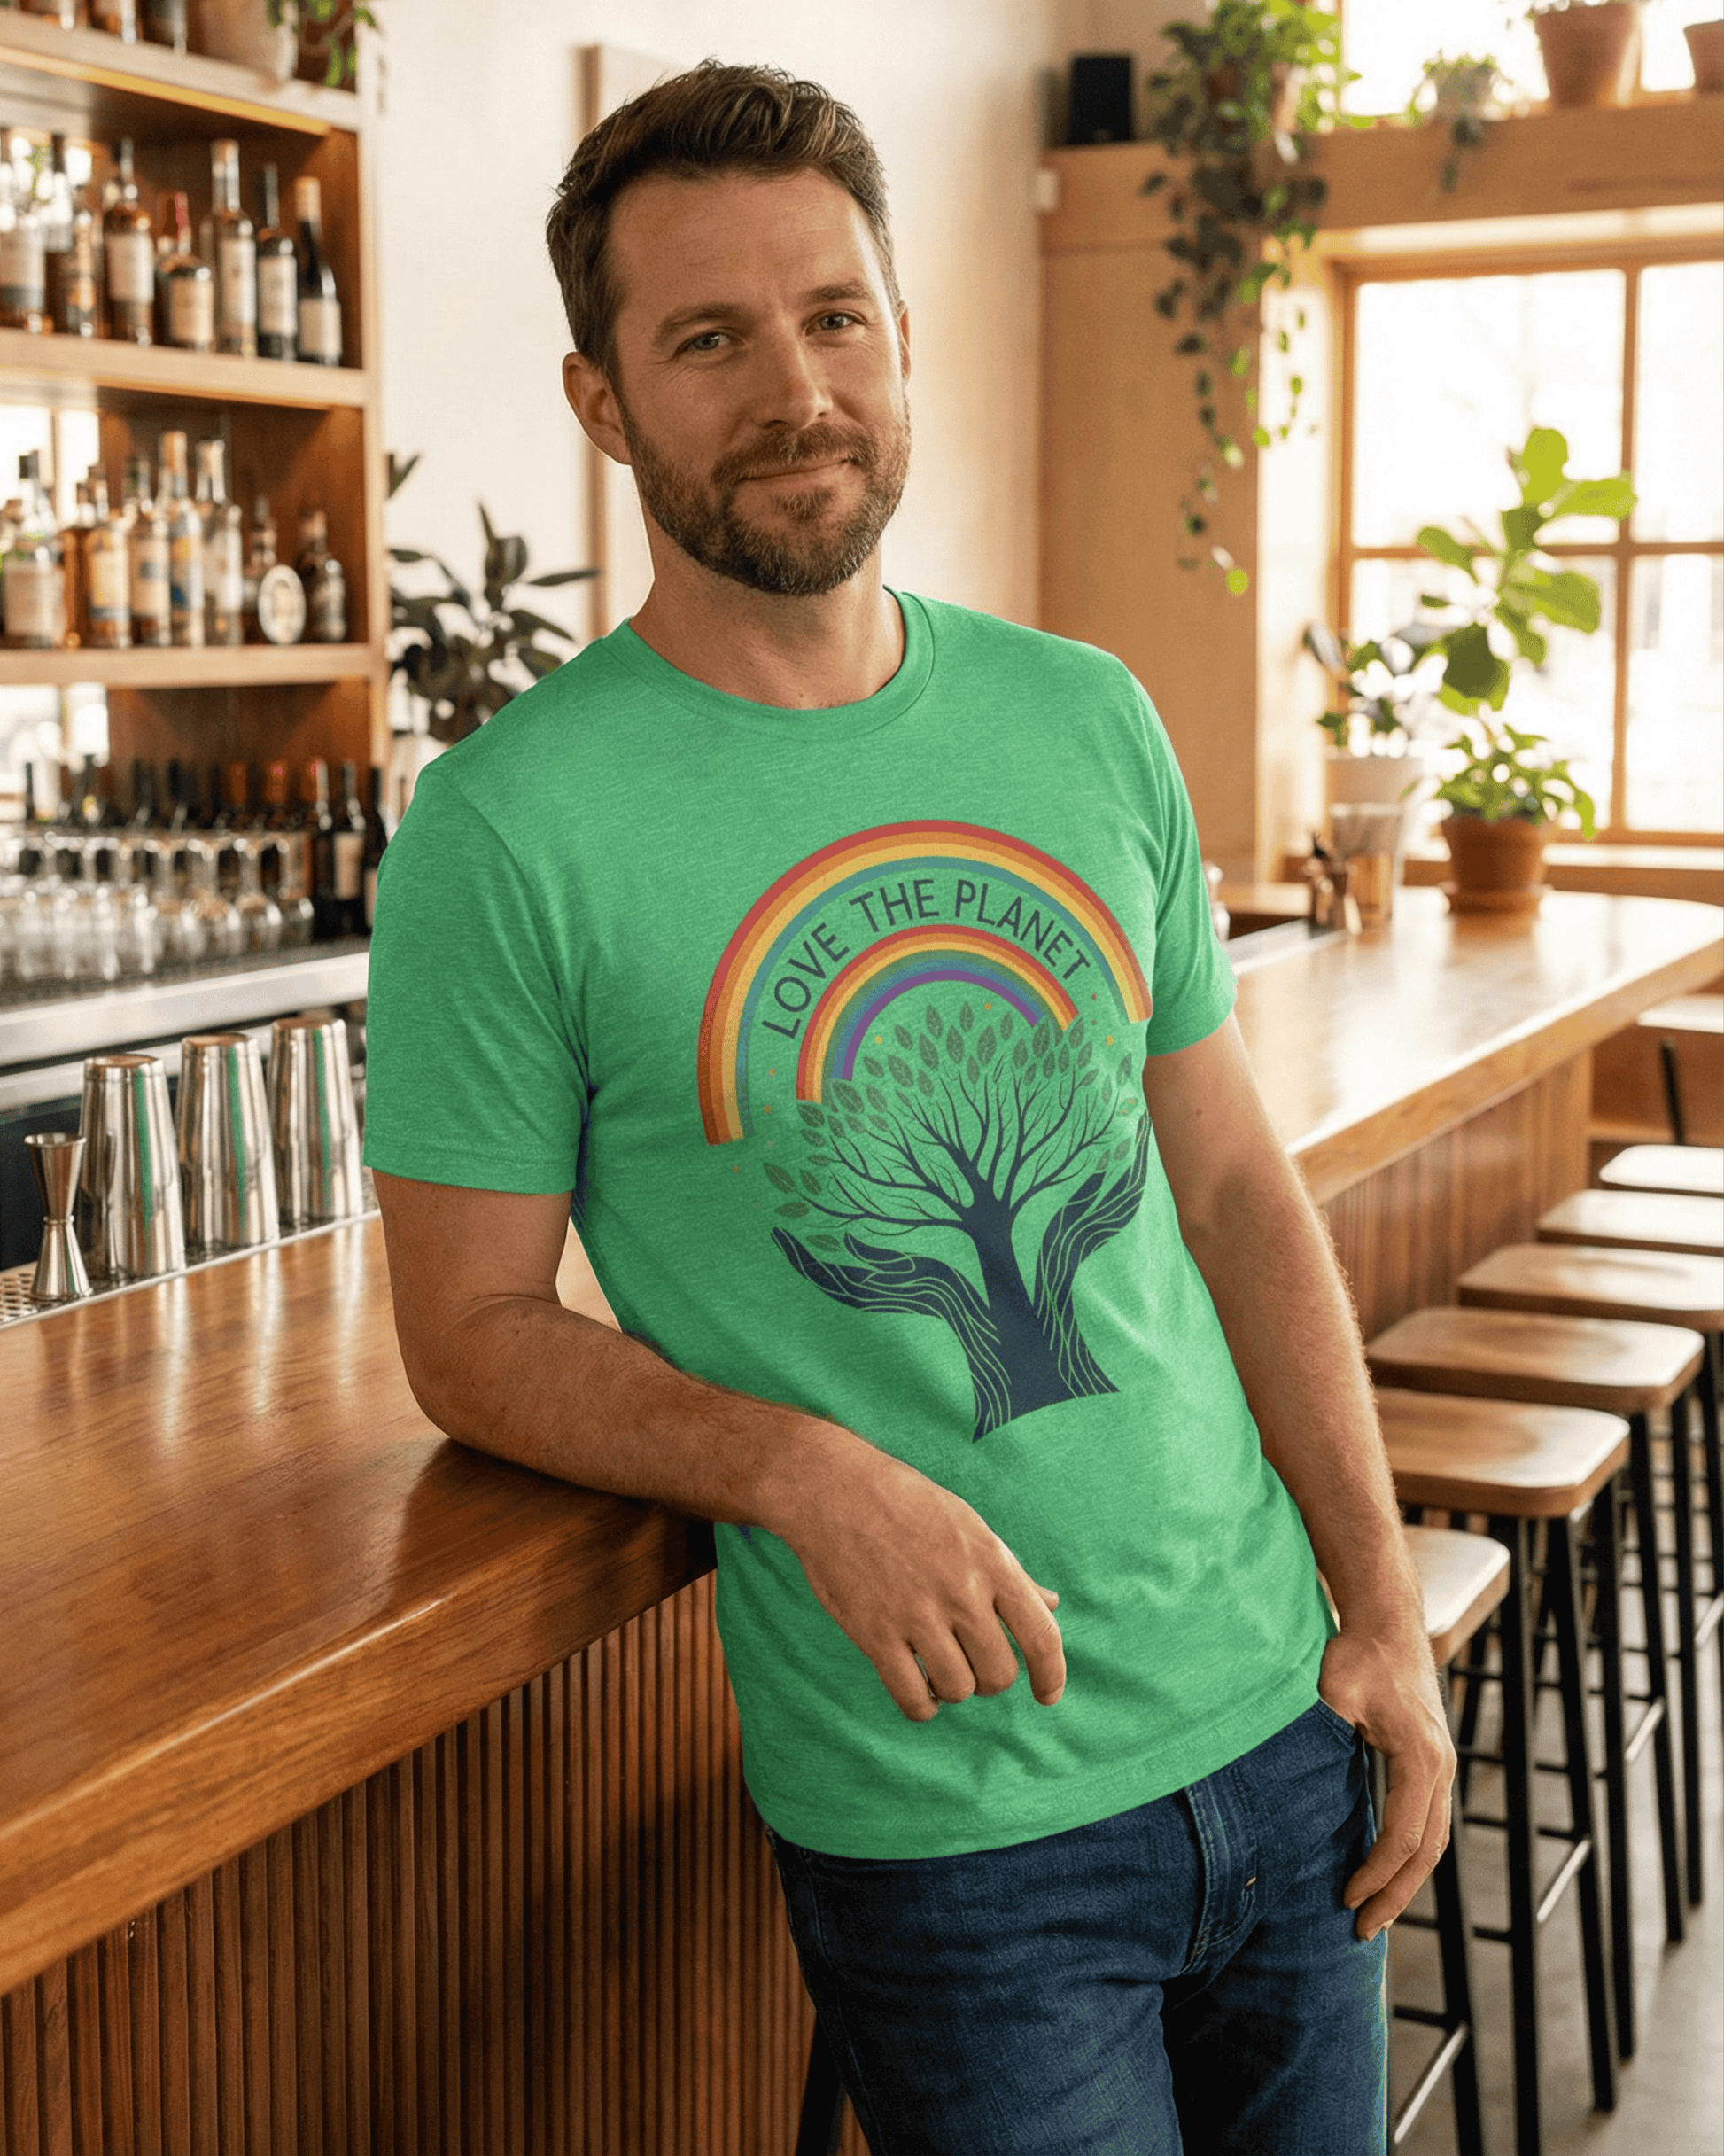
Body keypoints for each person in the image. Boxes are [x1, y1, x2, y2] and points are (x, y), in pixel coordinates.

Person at [363, 59, 1455, 2153]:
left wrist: (1380, 1614)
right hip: (959, 1821)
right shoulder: (505, 836)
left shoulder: (1084, 714)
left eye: (833, 315)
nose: (797, 389)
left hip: (1276, 1712)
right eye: (708, 338)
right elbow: (466, 1331)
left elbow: (1228, 1187)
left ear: (897, 334)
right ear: (604, 403)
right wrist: (800, 1469)